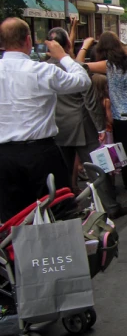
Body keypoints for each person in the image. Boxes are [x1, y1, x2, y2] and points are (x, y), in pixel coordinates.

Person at [0, 17, 90, 221]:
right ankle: (58, 252)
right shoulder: (41, 71)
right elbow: (83, 81)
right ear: (28, 41)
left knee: (12, 220)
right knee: (59, 214)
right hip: (40, 153)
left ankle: (21, 253)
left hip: (4, 155)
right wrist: (64, 56)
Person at [47, 28, 127, 218]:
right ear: (67, 45)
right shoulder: (75, 68)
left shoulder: (44, 68)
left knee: (63, 171)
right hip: (82, 124)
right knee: (97, 167)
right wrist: (100, 126)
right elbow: (90, 100)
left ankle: (65, 210)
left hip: (57, 126)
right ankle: (110, 206)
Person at [79, 32, 127, 208]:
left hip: (120, 116)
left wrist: (85, 45)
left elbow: (78, 65)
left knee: (125, 155)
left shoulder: (107, 66)